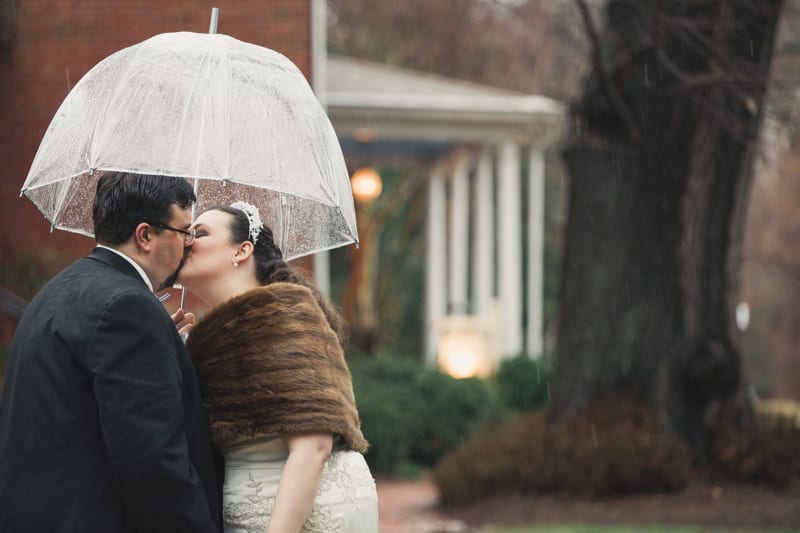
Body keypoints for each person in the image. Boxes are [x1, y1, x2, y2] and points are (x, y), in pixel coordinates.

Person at [0, 172, 223, 533]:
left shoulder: (59, 290)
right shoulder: (128, 308)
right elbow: (153, 463)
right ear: (146, 235)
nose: (188, 246)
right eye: (185, 233)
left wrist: (161, 343)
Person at [177, 201, 378, 533]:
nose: (186, 241)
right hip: (243, 508)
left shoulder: (284, 315)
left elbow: (313, 445)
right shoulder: (202, 339)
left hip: (309, 508)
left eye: (200, 233)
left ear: (241, 250)